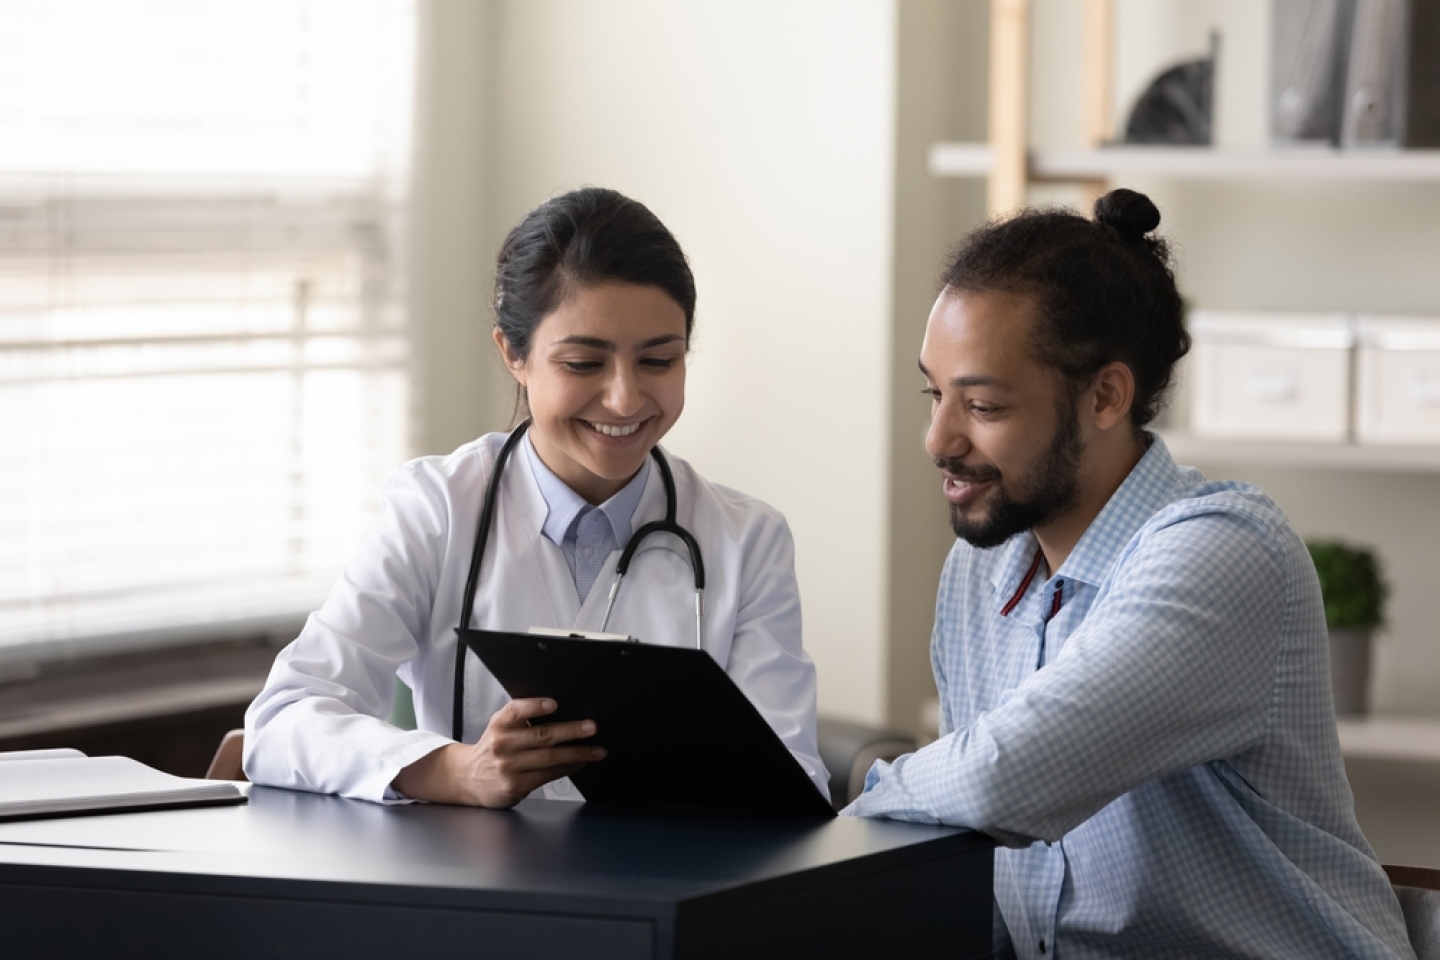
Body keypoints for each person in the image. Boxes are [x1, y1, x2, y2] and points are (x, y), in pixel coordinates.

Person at [844, 189, 1414, 959]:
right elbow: (979, 858)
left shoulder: (1223, 553)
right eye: (934, 394)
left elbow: (1000, 783)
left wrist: (861, 801)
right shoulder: (980, 572)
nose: (938, 438)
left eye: (981, 405)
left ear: (1105, 396)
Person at [244, 187, 827, 808]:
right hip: (478, 893)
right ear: (513, 354)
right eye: (583, 364)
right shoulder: (437, 510)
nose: (625, 399)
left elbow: (795, 782)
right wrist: (457, 771)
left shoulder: (747, 541)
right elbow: (282, 718)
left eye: (659, 360)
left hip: (668, 894)